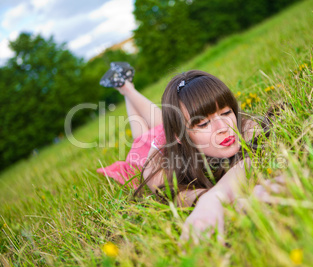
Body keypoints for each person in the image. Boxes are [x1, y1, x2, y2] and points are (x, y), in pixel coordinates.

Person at [98, 64, 276, 243]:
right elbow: (181, 197)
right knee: (141, 134)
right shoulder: (157, 168)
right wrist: (208, 199)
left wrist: (218, 195)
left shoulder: (241, 126)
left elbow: (253, 158)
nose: (224, 128)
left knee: (161, 119)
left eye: (226, 112)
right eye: (203, 124)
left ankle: (124, 85)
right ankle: (125, 88)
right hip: (152, 148)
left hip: (177, 131)